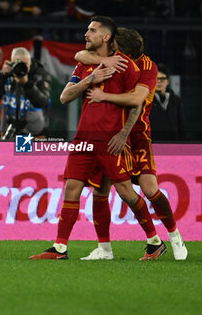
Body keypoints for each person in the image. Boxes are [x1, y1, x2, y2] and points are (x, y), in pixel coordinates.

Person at [30, 16, 166, 261]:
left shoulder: (127, 67)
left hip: (110, 140)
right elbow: (64, 97)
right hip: (83, 138)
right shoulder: (84, 65)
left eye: (91, 30)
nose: (86, 34)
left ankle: (154, 241)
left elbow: (136, 102)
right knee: (72, 188)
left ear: (105, 36)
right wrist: (91, 79)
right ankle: (59, 247)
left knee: (125, 190)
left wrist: (124, 133)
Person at [78, 28, 187, 261]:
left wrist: (122, 129)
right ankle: (105, 248)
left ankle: (174, 236)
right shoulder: (112, 59)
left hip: (136, 135)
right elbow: (81, 55)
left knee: (148, 189)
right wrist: (103, 59)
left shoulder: (147, 68)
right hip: (108, 133)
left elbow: (137, 101)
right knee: (100, 190)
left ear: (122, 48)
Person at [0, 47, 52, 138]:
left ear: (30, 63)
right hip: (9, 132)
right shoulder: (7, 74)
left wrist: (27, 85)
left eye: (25, 64)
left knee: (29, 152)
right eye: (17, 64)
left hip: (35, 134)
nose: (21, 67)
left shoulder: (40, 75)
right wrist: (1, 76)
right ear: (11, 63)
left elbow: (43, 102)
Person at [149, 63, 187, 142]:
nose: (159, 82)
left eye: (162, 79)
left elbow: (181, 126)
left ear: (168, 81)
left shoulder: (176, 100)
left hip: (173, 147)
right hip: (153, 146)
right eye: (157, 79)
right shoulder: (146, 101)